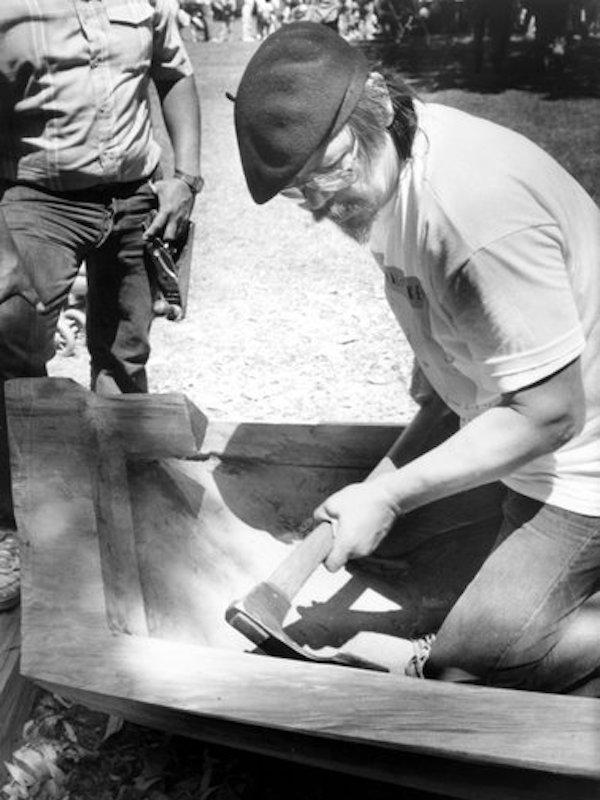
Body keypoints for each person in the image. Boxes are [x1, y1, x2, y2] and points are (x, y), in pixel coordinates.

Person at [230, 22, 600, 694]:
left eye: (330, 166)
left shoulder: (470, 215)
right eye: (297, 189)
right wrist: (378, 493)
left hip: (583, 462)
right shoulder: (386, 172)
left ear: (377, 102)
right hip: (530, 444)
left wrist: (392, 494)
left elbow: (551, 414)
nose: (318, 204)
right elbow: (448, 390)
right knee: (398, 557)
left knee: (464, 669)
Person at [0, 0, 203, 611]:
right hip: (38, 200)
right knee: (10, 358)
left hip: (137, 201)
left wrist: (185, 178)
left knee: (124, 356)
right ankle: (13, 528)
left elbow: (174, 72)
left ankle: (126, 508)